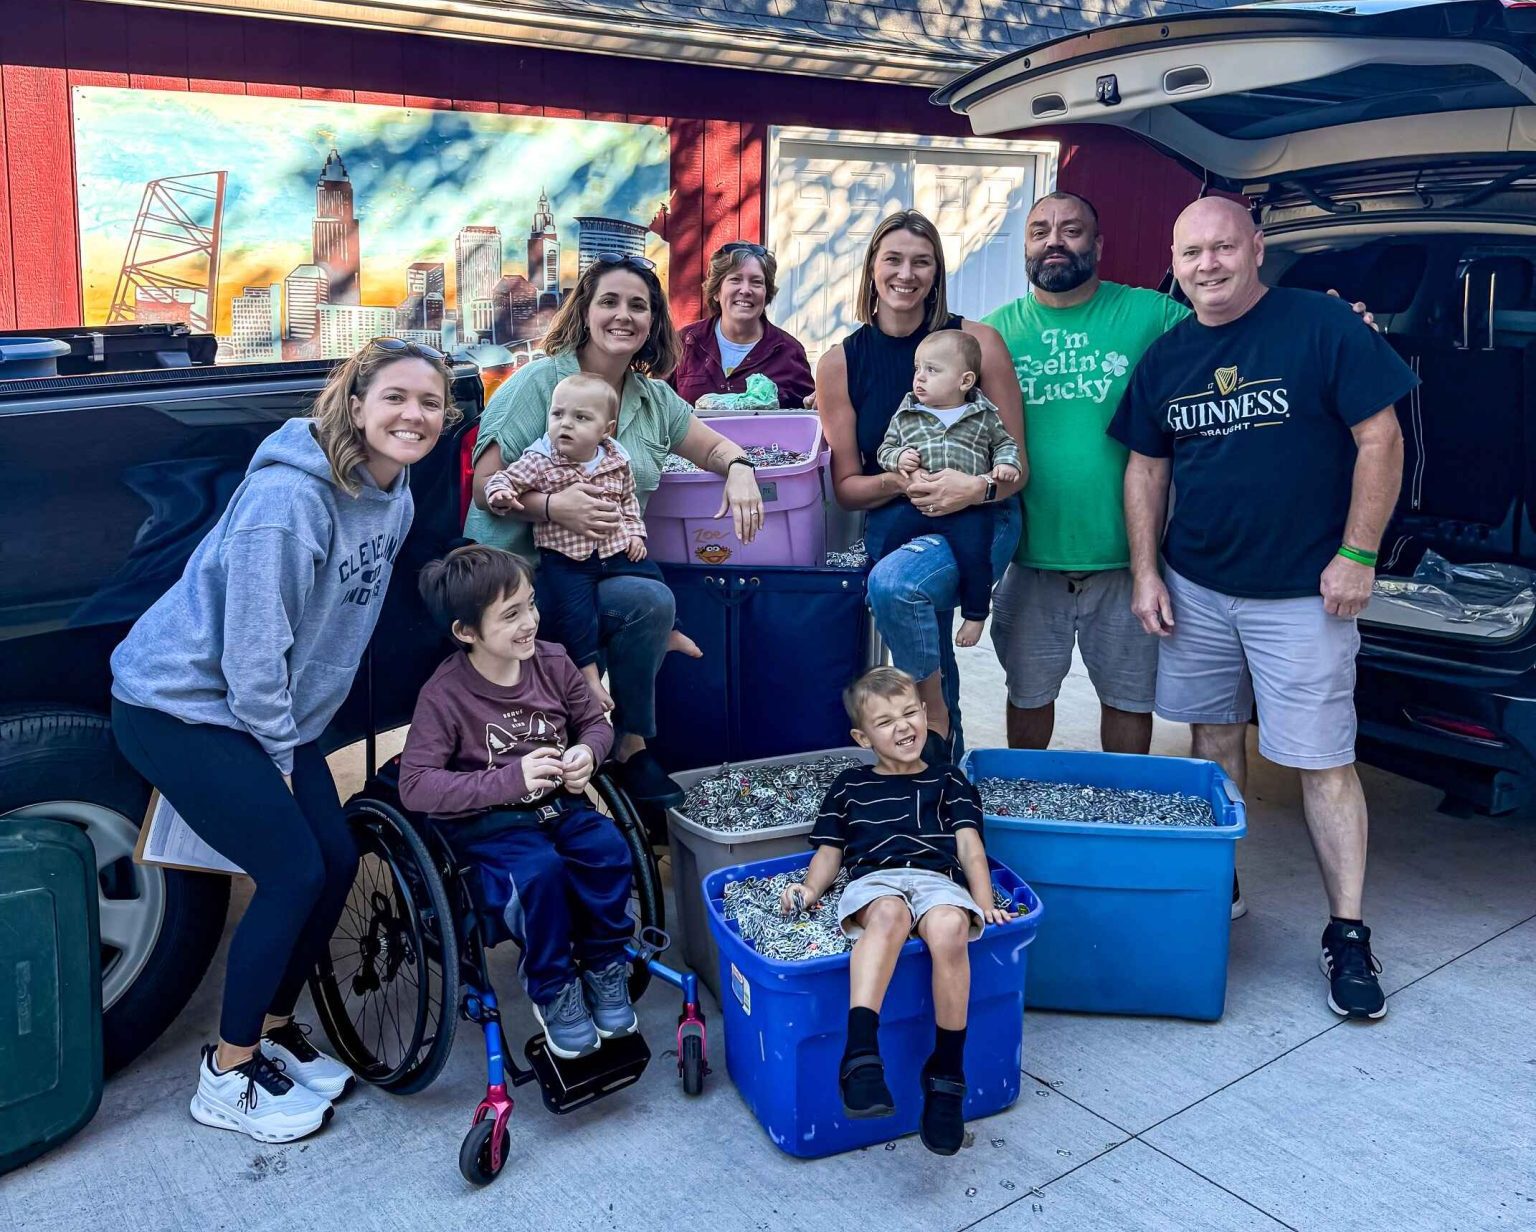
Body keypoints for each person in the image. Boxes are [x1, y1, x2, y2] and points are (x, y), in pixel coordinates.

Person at [110, 337, 455, 1142]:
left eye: (431, 403)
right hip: (184, 704)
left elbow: (342, 619)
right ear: (358, 402)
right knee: (292, 868)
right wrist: (276, 757)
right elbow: (253, 648)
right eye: (396, 397)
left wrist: (297, 734)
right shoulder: (289, 502)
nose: (414, 415)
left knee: (335, 860)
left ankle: (269, 1028)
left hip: (269, 710)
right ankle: (227, 1074)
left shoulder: (395, 493)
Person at [1109, 197, 1412, 1020]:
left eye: (1223, 247)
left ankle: (1346, 932)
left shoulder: (1319, 325)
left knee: (1322, 760)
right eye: (1192, 252)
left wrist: (1356, 553)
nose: (1208, 265)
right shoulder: (1169, 355)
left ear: (1256, 248)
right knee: (1213, 741)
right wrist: (1147, 571)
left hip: (1304, 593)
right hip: (1198, 586)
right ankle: (1222, 882)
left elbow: (1380, 438)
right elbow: (1146, 468)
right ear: (1172, 262)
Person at [984, 191, 1381, 767]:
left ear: (1098, 245)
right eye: (1040, 230)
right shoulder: (995, 333)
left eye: (1072, 230)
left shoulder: (1152, 314)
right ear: (1025, 245)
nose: (1054, 241)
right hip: (1029, 555)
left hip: (1126, 562)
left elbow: (1239, 320)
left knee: (1127, 701)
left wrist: (1339, 323)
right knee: (1026, 694)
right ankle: (1023, 799)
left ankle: (1126, 812)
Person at [466, 254, 766, 807]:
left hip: (603, 560)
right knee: (631, 606)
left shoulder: (653, 399)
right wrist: (555, 508)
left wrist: (741, 468)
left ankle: (630, 746)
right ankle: (599, 725)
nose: (623, 315)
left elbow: (712, 446)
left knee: (648, 597)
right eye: (609, 301)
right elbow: (486, 486)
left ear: (653, 320)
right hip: (525, 570)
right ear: (586, 311)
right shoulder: (540, 384)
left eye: (639, 305)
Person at [399, 546, 635, 1060]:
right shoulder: (445, 695)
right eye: (511, 615)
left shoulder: (552, 662)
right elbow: (415, 785)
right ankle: (553, 989)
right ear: (467, 632)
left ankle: (603, 964)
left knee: (609, 850)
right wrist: (507, 781)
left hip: (560, 807)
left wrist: (586, 754)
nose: (530, 622)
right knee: (539, 874)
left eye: (530, 605)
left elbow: (595, 723)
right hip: (490, 827)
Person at [817, 210, 1027, 764]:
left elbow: (1018, 469)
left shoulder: (976, 344)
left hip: (983, 515)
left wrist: (972, 489)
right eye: (893, 259)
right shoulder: (840, 362)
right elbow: (848, 487)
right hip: (900, 517)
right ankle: (942, 772)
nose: (906, 273)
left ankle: (930, 720)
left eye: (922, 261)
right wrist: (900, 479)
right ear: (872, 269)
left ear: (937, 272)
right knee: (923, 630)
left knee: (894, 587)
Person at [780, 667, 1014, 1156]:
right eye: (885, 722)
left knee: (951, 926)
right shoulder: (849, 785)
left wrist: (985, 903)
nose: (903, 727)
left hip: (935, 880)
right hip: (875, 880)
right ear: (862, 737)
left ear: (926, 714)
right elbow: (830, 853)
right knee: (888, 915)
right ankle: (860, 1053)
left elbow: (971, 848)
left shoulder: (949, 779)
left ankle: (947, 1072)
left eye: (910, 713)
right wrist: (806, 891)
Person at [483, 371, 667, 712]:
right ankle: (589, 674)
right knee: (576, 614)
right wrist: (502, 492)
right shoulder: (541, 458)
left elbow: (627, 502)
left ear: (606, 429)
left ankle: (672, 631)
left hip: (611, 548)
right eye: (558, 414)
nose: (565, 424)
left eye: (580, 418)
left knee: (652, 573)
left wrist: (635, 534)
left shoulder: (615, 458)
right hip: (566, 558)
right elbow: (504, 478)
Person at [873, 330, 1022, 648]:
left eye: (932, 370)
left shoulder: (983, 416)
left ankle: (976, 613)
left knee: (975, 557)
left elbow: (1005, 444)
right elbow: (884, 450)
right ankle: (874, 596)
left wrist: (1006, 465)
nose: (919, 378)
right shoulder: (908, 413)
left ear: (965, 381)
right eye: (917, 369)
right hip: (920, 505)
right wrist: (899, 457)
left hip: (968, 509)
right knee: (889, 546)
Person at [670, 241, 815, 409]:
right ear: (717, 291)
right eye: (735, 279)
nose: (746, 290)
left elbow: (805, 419)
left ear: (766, 293)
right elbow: (658, 408)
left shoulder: (789, 351)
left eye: (756, 282)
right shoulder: (686, 343)